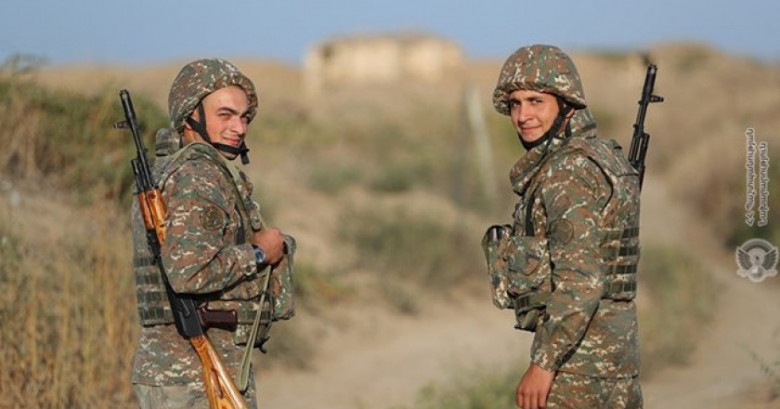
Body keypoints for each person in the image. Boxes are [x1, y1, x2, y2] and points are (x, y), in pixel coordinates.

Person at [482, 44, 642, 409]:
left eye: (536, 101)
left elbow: (581, 280)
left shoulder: (566, 171)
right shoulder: (602, 156)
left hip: (577, 369)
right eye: (515, 104)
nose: (523, 115)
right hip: (617, 362)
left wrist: (543, 364)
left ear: (567, 105)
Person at [130, 58, 294, 409]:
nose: (239, 127)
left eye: (244, 117)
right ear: (191, 115)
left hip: (177, 372)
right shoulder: (197, 176)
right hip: (192, 375)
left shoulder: (171, 169)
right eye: (225, 115)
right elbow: (188, 272)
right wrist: (260, 253)